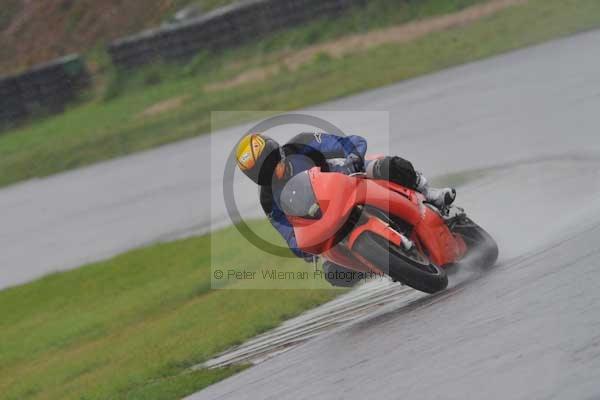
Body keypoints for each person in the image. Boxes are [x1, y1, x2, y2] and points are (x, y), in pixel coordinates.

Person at [235, 132, 456, 287]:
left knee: (385, 165)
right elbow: (288, 235)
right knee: (333, 274)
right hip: (323, 222)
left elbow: (349, 142)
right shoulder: (268, 200)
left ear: (278, 152)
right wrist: (303, 248)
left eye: (272, 161)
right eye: (261, 172)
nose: (273, 171)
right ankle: (385, 264)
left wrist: (352, 159)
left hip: (347, 180)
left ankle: (430, 193)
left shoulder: (302, 144)